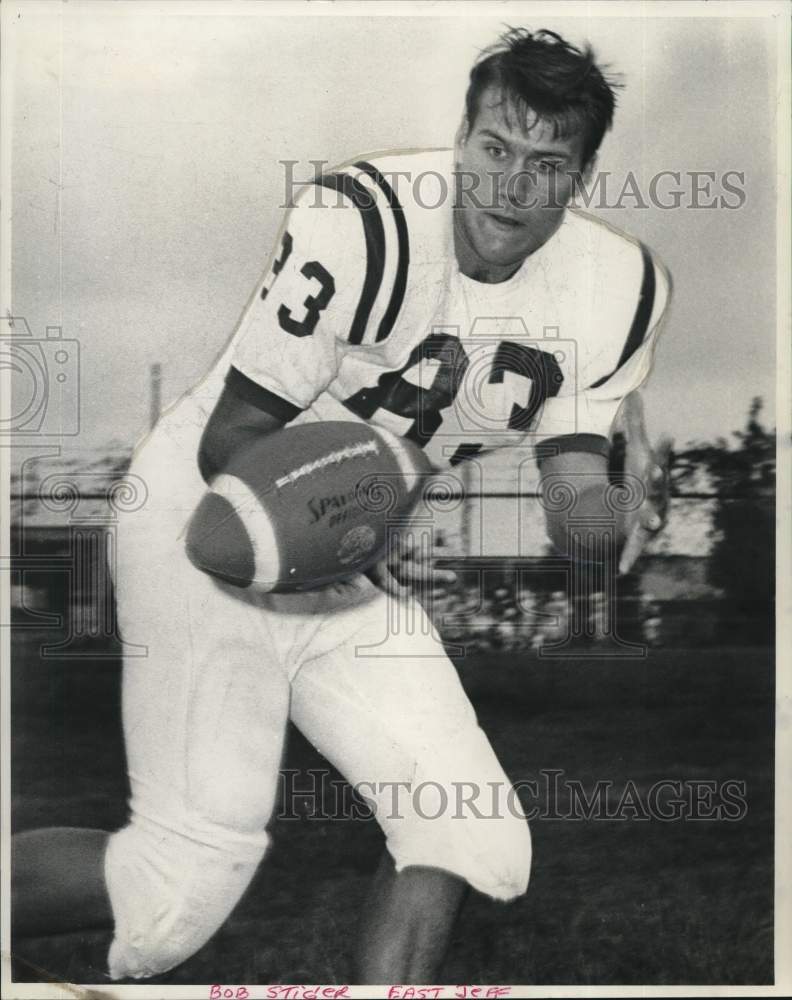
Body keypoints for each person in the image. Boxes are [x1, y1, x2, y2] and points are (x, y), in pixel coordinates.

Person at [12, 27, 671, 983]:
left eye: (546, 164)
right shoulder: (366, 219)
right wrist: (350, 518)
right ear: (461, 138)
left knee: (472, 823)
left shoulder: (612, 290)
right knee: (173, 895)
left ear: (581, 178)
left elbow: (574, 509)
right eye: (495, 149)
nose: (511, 187)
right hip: (207, 514)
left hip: (346, 545)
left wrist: (622, 509)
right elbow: (230, 439)